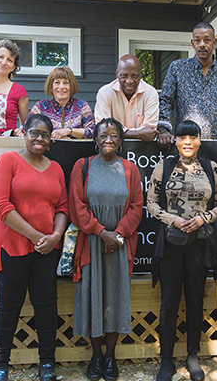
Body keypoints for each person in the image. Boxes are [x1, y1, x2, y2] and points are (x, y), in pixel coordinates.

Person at [0, 113, 69, 381]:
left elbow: (63, 208)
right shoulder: (8, 161)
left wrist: (56, 236)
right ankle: (0, 365)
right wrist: (37, 235)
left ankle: (47, 363)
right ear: (24, 133)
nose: (40, 138)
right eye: (35, 132)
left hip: (46, 249)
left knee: (46, 306)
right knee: (8, 305)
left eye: (45, 134)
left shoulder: (56, 168)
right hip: (11, 246)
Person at [147, 120, 217, 381]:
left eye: (193, 137)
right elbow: (151, 202)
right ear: (176, 141)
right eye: (183, 137)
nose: (188, 142)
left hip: (200, 243)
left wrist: (204, 218)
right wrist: (173, 219)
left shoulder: (210, 168)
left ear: (200, 141)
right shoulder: (164, 166)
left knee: (195, 299)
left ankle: (193, 356)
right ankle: (166, 360)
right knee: (169, 301)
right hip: (170, 242)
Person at [69, 118, 143, 381]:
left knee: (115, 298)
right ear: (95, 139)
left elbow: (136, 206)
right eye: (103, 135)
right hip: (91, 243)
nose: (108, 139)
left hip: (120, 246)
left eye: (114, 136)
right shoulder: (83, 166)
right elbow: (76, 206)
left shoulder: (130, 169)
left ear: (121, 141)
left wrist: (118, 234)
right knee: (93, 299)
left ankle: (111, 356)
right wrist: (102, 232)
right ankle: (96, 355)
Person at [156, 22, 217, 152]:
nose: (202, 44)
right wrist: (164, 130)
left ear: (214, 42)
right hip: (186, 146)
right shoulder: (177, 68)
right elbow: (166, 101)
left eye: (207, 40)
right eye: (198, 40)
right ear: (192, 43)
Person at [94, 54, 159, 142]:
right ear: (117, 74)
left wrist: (116, 133)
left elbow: (149, 132)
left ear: (140, 74)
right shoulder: (105, 93)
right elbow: (103, 130)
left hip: (142, 150)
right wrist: (139, 134)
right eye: (124, 76)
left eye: (134, 76)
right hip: (112, 149)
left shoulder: (150, 93)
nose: (129, 81)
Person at [27, 66, 95, 139]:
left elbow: (93, 131)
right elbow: (27, 130)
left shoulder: (81, 105)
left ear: (71, 86)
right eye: (57, 82)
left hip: (76, 149)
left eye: (66, 83)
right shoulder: (41, 106)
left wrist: (69, 131)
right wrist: (56, 137)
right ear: (51, 86)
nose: (62, 87)